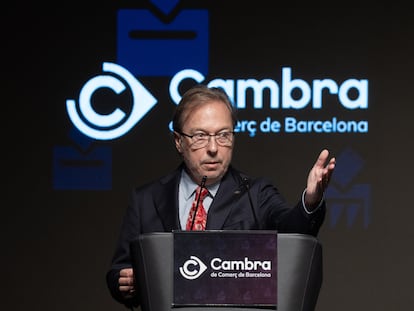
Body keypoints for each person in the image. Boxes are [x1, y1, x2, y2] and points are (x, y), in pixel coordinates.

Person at [106, 84, 336, 309]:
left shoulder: (256, 194)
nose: (214, 148)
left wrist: (311, 200)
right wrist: (125, 282)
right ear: (178, 141)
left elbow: (292, 234)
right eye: (200, 136)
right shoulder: (146, 199)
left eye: (223, 135)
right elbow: (119, 271)